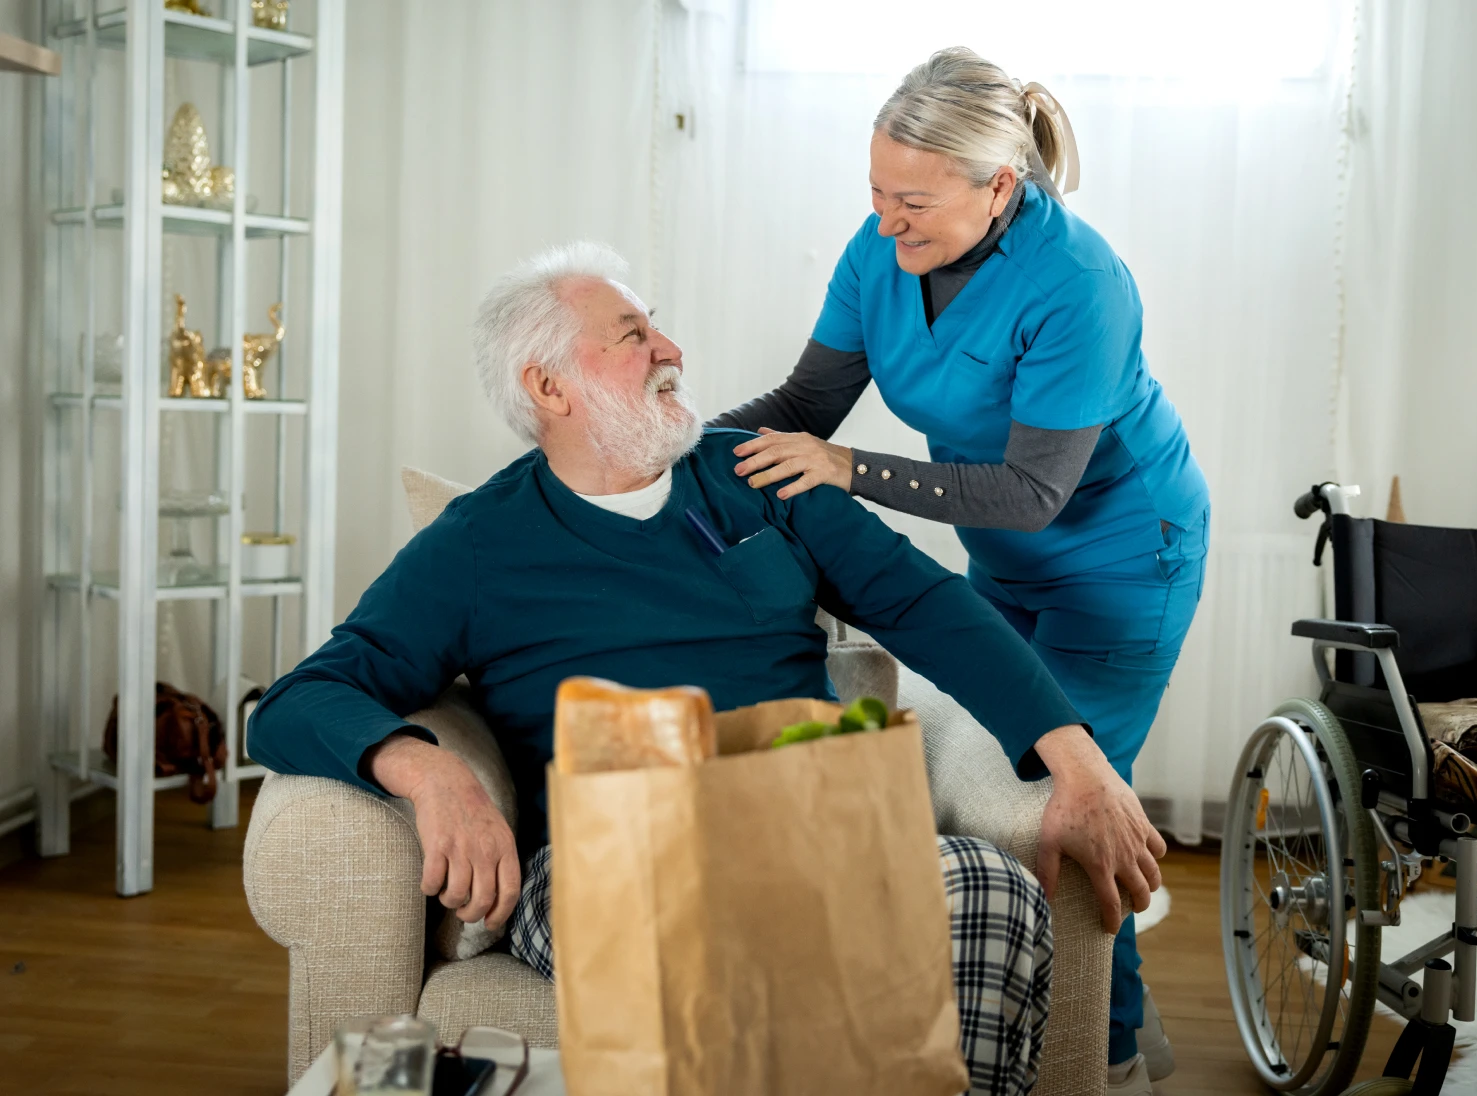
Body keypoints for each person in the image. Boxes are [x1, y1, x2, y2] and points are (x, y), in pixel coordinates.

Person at [247, 242, 1167, 1096]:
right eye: (633, 335)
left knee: (990, 888)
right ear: (549, 387)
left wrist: (1077, 758)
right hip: (608, 857)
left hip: (808, 822)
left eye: (657, 325)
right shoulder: (478, 545)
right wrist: (426, 767)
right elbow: (297, 702)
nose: (669, 348)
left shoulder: (759, 472)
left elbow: (933, 609)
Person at [710, 47, 1209, 1094]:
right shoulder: (882, 245)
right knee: (990, 785)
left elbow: (1036, 493)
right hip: (1003, 557)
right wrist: (672, 449)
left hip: (1120, 562)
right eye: (878, 193)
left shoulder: (1077, 283)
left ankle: (1103, 1061)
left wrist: (848, 470)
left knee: (1064, 810)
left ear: (1000, 186)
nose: (888, 221)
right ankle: (1122, 1027)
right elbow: (804, 408)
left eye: (914, 201)